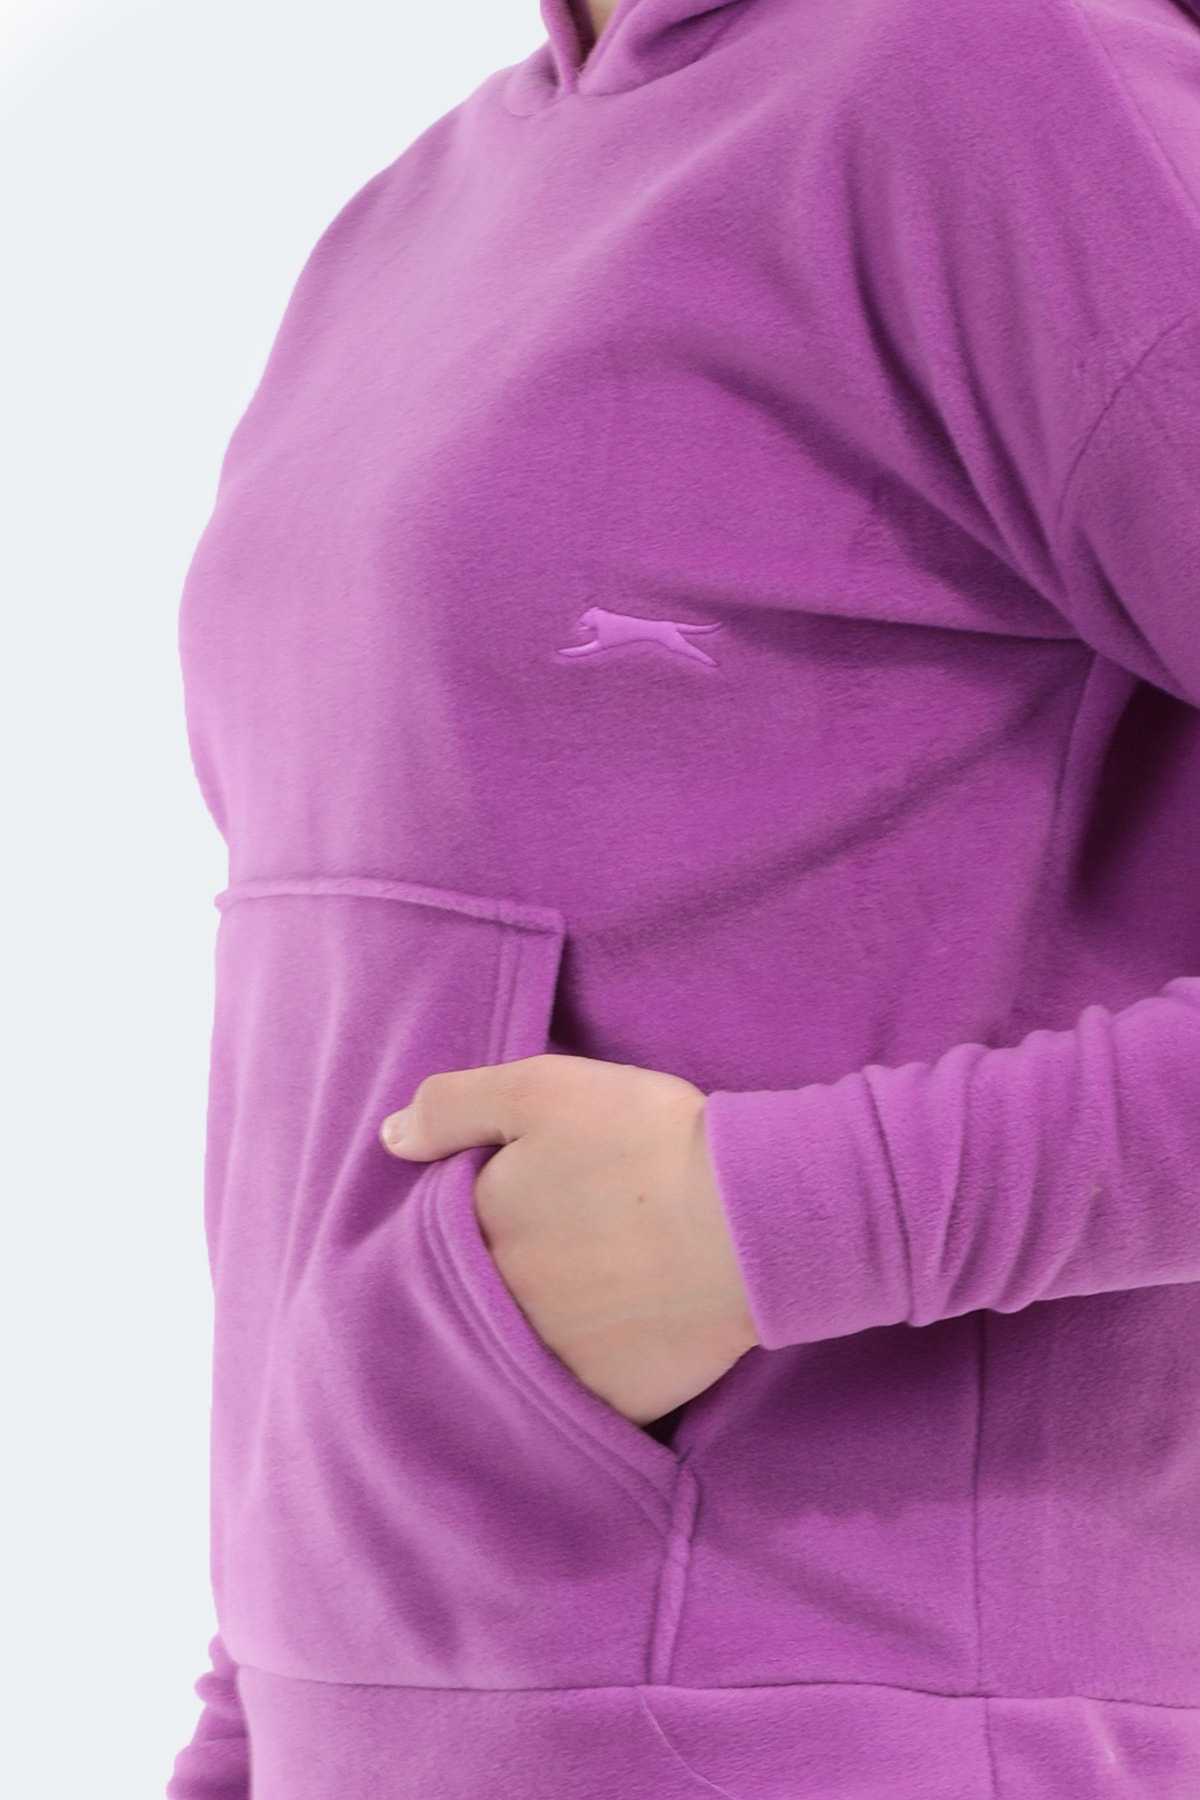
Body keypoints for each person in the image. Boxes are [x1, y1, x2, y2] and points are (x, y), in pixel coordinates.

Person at [166, 0, 1200, 1794]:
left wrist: (793, 1214)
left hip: (839, 1724)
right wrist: (252, 1719)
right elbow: (335, 1040)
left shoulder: (996, 79)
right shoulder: (406, 220)